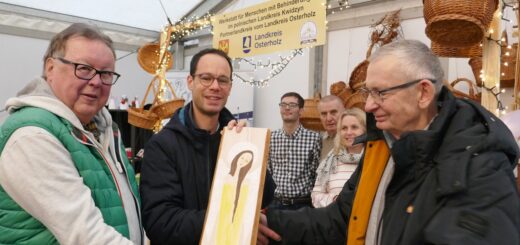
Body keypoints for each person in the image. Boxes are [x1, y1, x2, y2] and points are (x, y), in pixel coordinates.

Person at [258, 40, 520, 245]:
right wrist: (267, 223)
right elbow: (342, 219)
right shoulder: (381, 147)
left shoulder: (480, 163)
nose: (369, 105)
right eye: (368, 92)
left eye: (380, 93)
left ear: (423, 92)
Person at [0, 23, 142, 244]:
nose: (96, 81)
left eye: (106, 73)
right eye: (84, 68)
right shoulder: (33, 136)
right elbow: (85, 235)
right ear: (50, 68)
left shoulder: (103, 128)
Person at [139, 48, 274, 245]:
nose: (215, 86)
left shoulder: (234, 137)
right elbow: (161, 223)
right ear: (190, 82)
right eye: (206, 78)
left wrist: (251, 148)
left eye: (223, 80)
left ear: (230, 86)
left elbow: (265, 197)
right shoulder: (163, 146)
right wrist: (232, 222)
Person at [268, 92, 322, 210]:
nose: (287, 108)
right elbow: (269, 170)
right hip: (276, 203)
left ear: (301, 111)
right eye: (283, 104)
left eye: (292, 105)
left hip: (302, 204)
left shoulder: (314, 138)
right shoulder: (271, 137)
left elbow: (315, 172)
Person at [311, 108, 366, 208]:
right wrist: (336, 200)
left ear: (365, 130)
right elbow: (315, 196)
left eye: (354, 127)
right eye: (344, 128)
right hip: (335, 220)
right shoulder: (330, 161)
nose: (349, 132)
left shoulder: (373, 159)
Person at [317, 95, 345, 161]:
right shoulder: (318, 142)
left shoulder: (352, 139)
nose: (328, 118)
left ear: (344, 112)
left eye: (333, 112)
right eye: (324, 114)